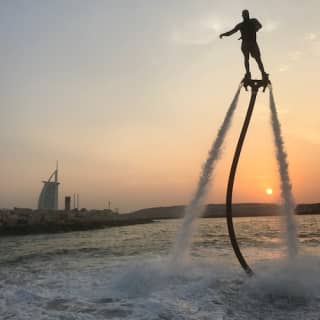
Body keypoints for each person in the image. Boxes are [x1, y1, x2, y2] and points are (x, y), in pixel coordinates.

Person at [219, 10, 268, 80]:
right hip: (246, 43)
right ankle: (248, 73)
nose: (245, 15)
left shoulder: (253, 21)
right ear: (243, 16)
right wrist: (223, 34)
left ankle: (263, 73)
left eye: (246, 14)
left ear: (248, 14)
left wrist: (254, 30)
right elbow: (231, 32)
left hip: (252, 43)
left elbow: (260, 26)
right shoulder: (241, 25)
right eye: (244, 14)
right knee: (247, 58)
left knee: (258, 59)